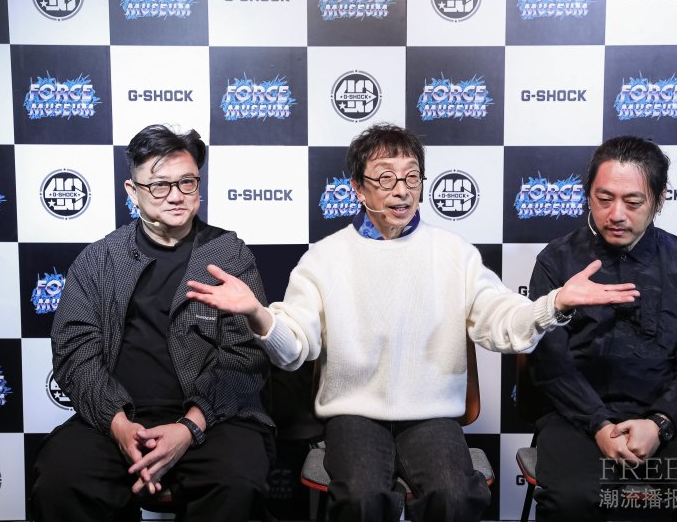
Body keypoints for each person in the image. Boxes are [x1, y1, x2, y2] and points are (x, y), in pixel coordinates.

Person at [186, 123, 639, 522]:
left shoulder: (454, 252)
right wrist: (259, 314)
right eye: (385, 178)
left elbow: (501, 321)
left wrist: (555, 303)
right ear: (358, 188)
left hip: (432, 415)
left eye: (411, 177)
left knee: (455, 496)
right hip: (353, 414)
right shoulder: (324, 258)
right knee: (362, 499)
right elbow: (294, 348)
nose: (401, 191)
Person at [31, 124, 273, 522]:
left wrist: (189, 427)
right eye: (159, 185)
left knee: (237, 480)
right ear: (133, 191)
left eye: (187, 182)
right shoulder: (99, 259)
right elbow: (75, 355)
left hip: (213, 420)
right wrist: (120, 427)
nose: (176, 195)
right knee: (61, 480)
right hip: (116, 419)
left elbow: (245, 357)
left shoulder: (228, 255)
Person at [527, 135, 677, 521]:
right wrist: (599, 425)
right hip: (578, 419)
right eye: (604, 199)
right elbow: (550, 365)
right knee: (570, 499)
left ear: (659, 201)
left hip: (667, 419)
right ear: (588, 196)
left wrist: (658, 424)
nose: (616, 214)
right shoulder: (555, 261)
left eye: (633, 202)